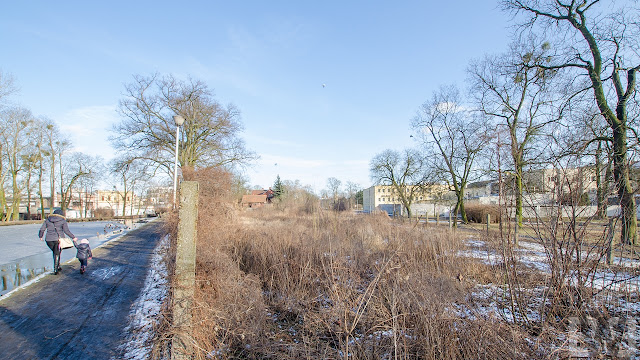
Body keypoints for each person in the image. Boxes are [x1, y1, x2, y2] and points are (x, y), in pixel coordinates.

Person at [38, 209, 77, 275]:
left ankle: (58, 266)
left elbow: (42, 229)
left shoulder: (47, 220)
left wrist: (40, 236)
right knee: (57, 253)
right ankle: (56, 269)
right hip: (58, 239)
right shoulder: (63, 221)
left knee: (56, 252)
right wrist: (73, 237)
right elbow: (66, 231)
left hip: (48, 239)